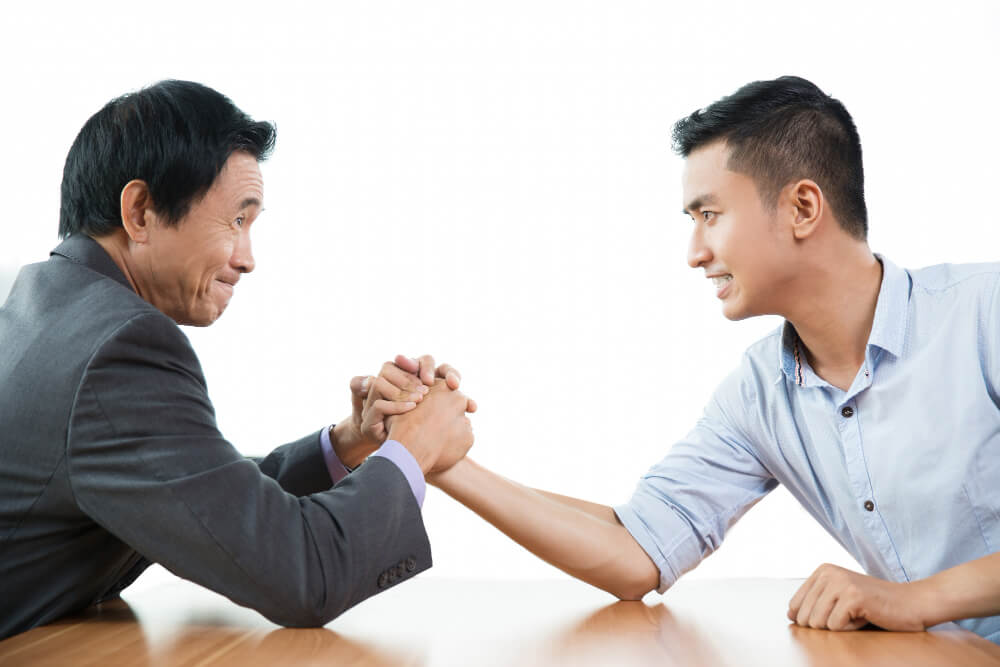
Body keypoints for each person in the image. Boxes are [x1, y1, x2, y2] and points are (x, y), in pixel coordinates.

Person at [427, 76, 1000, 641]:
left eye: (710, 215)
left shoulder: (984, 313)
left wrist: (916, 601)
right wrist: (443, 461)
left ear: (803, 207)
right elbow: (638, 548)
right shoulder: (760, 391)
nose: (695, 254)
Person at [0, 80, 475, 640]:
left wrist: (350, 441)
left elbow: (199, 494)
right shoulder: (119, 351)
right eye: (236, 221)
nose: (247, 259)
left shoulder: (46, 309)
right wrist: (412, 449)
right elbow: (302, 574)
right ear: (141, 211)